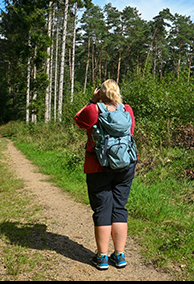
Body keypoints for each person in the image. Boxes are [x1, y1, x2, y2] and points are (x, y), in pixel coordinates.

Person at [74, 79, 137, 270]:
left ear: (100, 93)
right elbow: (131, 132)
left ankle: (102, 258)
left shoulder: (94, 110)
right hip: (126, 165)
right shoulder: (126, 109)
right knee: (119, 208)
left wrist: (93, 101)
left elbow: (78, 120)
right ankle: (119, 255)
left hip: (98, 166)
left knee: (102, 210)